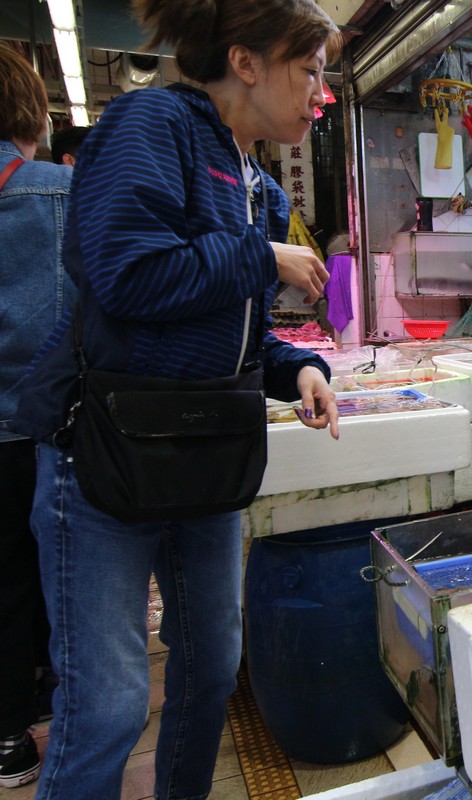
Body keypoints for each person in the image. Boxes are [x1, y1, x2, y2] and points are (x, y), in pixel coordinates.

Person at [12, 1, 342, 797]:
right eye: (310, 70)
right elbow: (127, 276)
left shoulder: (255, 180)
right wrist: (261, 256)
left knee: (211, 672)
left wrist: (293, 367)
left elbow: (231, 331)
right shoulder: (149, 124)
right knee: (111, 704)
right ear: (247, 61)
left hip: (203, 457)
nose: (320, 93)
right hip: (107, 454)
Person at [0, 45, 74, 791]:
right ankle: (65, 706)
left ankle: (5, 738)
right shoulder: (62, 192)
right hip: (50, 428)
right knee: (58, 574)